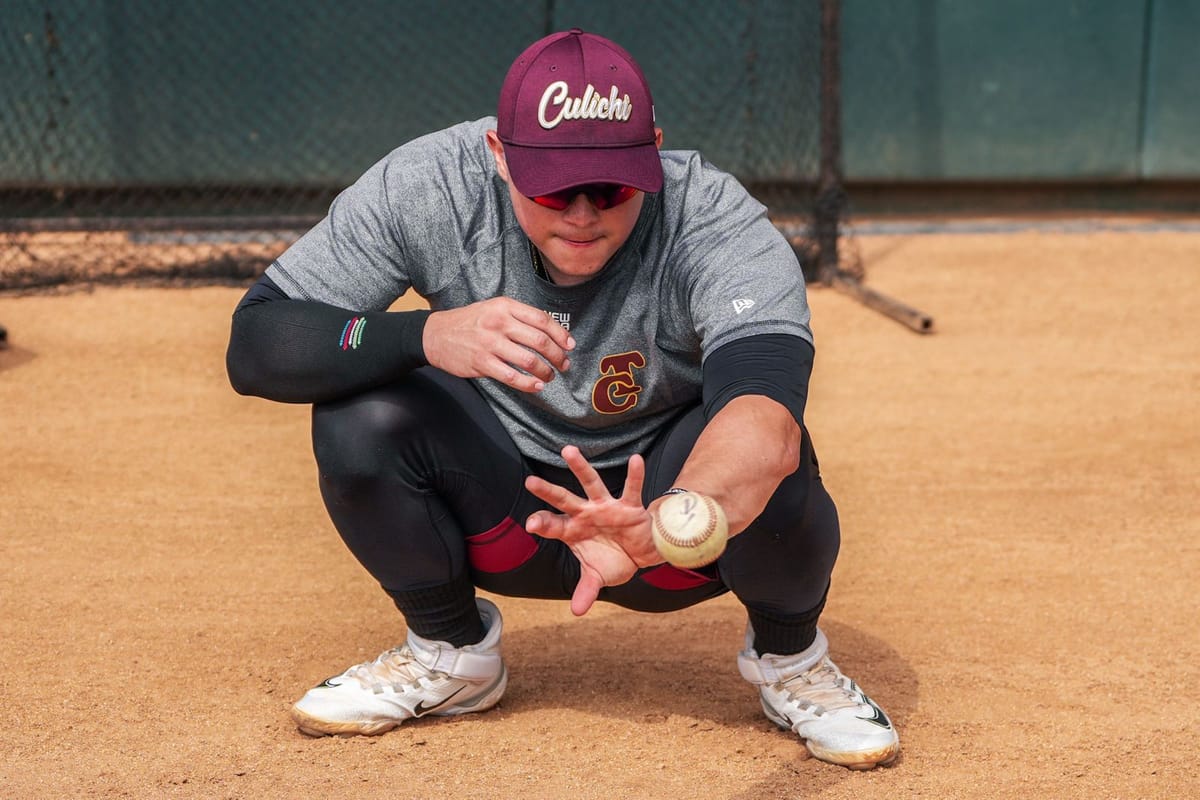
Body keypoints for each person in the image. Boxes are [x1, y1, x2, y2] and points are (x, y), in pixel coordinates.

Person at [225, 28, 899, 770]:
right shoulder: (431, 185)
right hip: (510, 513)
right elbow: (258, 344)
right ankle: (451, 654)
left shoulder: (710, 217)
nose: (581, 213)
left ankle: (791, 661)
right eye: (551, 187)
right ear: (498, 155)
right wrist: (425, 335)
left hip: (665, 535)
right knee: (361, 412)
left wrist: (673, 525)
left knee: (780, 454)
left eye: (609, 187)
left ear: (655, 155)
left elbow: (763, 421)